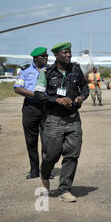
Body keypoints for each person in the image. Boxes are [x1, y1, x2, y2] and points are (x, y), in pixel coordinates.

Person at [34, 42, 89, 203]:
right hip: (53, 119)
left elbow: (85, 87)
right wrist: (56, 100)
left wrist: (81, 97)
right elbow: (38, 94)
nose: (69, 55)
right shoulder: (47, 72)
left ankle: (65, 189)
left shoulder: (76, 69)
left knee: (72, 154)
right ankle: (44, 174)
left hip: (73, 119)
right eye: (65, 52)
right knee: (51, 155)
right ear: (56, 55)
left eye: (70, 52)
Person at [13, 47, 54, 180]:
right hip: (30, 108)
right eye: (43, 56)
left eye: (47, 56)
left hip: (47, 107)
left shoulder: (51, 70)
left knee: (47, 141)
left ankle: (47, 170)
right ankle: (34, 170)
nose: (46, 58)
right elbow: (18, 88)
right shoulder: (25, 70)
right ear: (35, 58)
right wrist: (35, 95)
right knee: (31, 140)